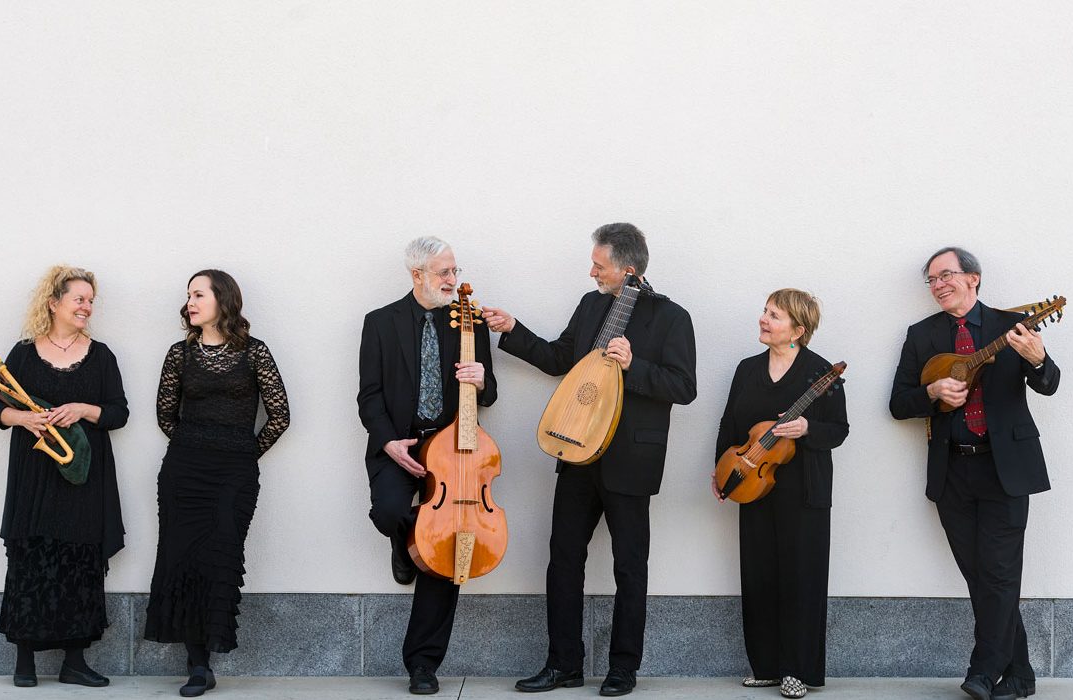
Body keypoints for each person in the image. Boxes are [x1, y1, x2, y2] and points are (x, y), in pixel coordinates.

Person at [482, 223, 697, 697]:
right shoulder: (591, 304)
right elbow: (561, 357)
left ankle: (623, 669)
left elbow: (683, 387)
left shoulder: (671, 317)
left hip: (631, 463)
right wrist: (512, 329)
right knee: (562, 561)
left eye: (599, 265)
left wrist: (633, 365)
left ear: (628, 269)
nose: (591, 271)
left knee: (629, 568)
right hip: (577, 452)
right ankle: (563, 666)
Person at [889, 247, 1059, 700]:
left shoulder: (1012, 327)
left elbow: (1049, 383)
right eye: (931, 279)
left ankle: (982, 672)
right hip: (953, 470)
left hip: (1006, 469)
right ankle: (1020, 674)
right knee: (981, 576)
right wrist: (932, 391)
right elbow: (898, 403)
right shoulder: (921, 335)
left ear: (974, 278)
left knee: (999, 573)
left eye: (946, 275)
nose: (938, 284)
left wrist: (1039, 358)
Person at [357, 236, 498, 695]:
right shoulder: (379, 322)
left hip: (454, 448)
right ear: (417, 275)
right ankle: (406, 545)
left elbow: (489, 392)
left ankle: (423, 662)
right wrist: (388, 443)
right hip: (399, 444)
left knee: (450, 541)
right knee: (391, 513)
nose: (453, 280)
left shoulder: (468, 319)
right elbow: (370, 395)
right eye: (444, 272)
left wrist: (481, 380)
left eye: (454, 271)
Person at [144, 269, 290, 698]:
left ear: (223, 299)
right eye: (188, 295)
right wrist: (197, 447)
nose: (190, 302)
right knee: (183, 558)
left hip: (234, 474)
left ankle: (210, 647)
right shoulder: (180, 354)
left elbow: (280, 417)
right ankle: (198, 665)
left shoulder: (255, 352)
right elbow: (164, 415)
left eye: (198, 294)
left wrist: (242, 453)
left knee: (220, 556)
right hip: (184, 472)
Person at [0, 265, 127, 688]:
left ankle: (75, 663)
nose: (87, 306)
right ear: (54, 303)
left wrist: (83, 409)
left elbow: (119, 413)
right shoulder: (24, 353)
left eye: (90, 300)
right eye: (79, 299)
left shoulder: (101, 356)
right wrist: (25, 417)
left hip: (84, 478)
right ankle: (24, 662)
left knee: (80, 562)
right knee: (31, 558)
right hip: (35, 474)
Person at [711, 289, 848, 700]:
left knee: (800, 578)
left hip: (803, 488)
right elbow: (728, 423)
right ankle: (767, 666)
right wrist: (722, 471)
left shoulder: (821, 372)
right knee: (759, 575)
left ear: (798, 330)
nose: (763, 319)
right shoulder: (746, 368)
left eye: (773, 315)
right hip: (752, 482)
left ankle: (798, 670)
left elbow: (839, 431)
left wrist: (807, 430)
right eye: (765, 312)